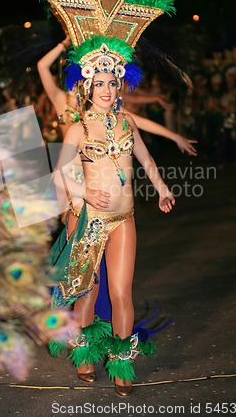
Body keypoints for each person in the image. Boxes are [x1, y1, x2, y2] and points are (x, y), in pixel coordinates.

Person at [50, 68, 175, 397]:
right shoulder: (77, 129)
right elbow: (58, 173)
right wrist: (85, 192)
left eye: (111, 83)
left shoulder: (127, 121)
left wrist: (162, 189)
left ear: (119, 86)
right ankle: (84, 354)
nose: (106, 90)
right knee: (88, 292)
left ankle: (121, 363)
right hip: (88, 220)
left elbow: (146, 158)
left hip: (123, 218)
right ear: (87, 87)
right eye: (99, 83)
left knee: (122, 293)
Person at [37, 39, 197, 155]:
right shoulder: (60, 99)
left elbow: (137, 121)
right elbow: (42, 66)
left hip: (97, 170)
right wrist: (65, 43)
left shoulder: (102, 105)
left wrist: (174, 136)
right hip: (71, 169)